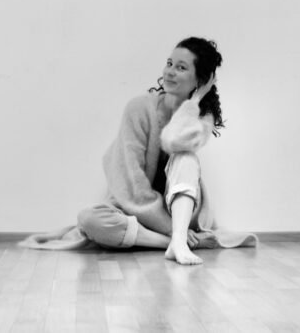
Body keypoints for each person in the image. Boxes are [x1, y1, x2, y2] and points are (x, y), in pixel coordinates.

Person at [19, 37, 256, 264]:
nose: (170, 72)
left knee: (186, 158)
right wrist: (169, 229)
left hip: (182, 214)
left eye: (181, 67)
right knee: (89, 219)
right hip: (138, 211)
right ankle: (174, 242)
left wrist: (194, 101)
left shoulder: (201, 117)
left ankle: (178, 236)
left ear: (200, 80)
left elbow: (173, 141)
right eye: (169, 63)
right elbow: (131, 182)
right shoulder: (139, 108)